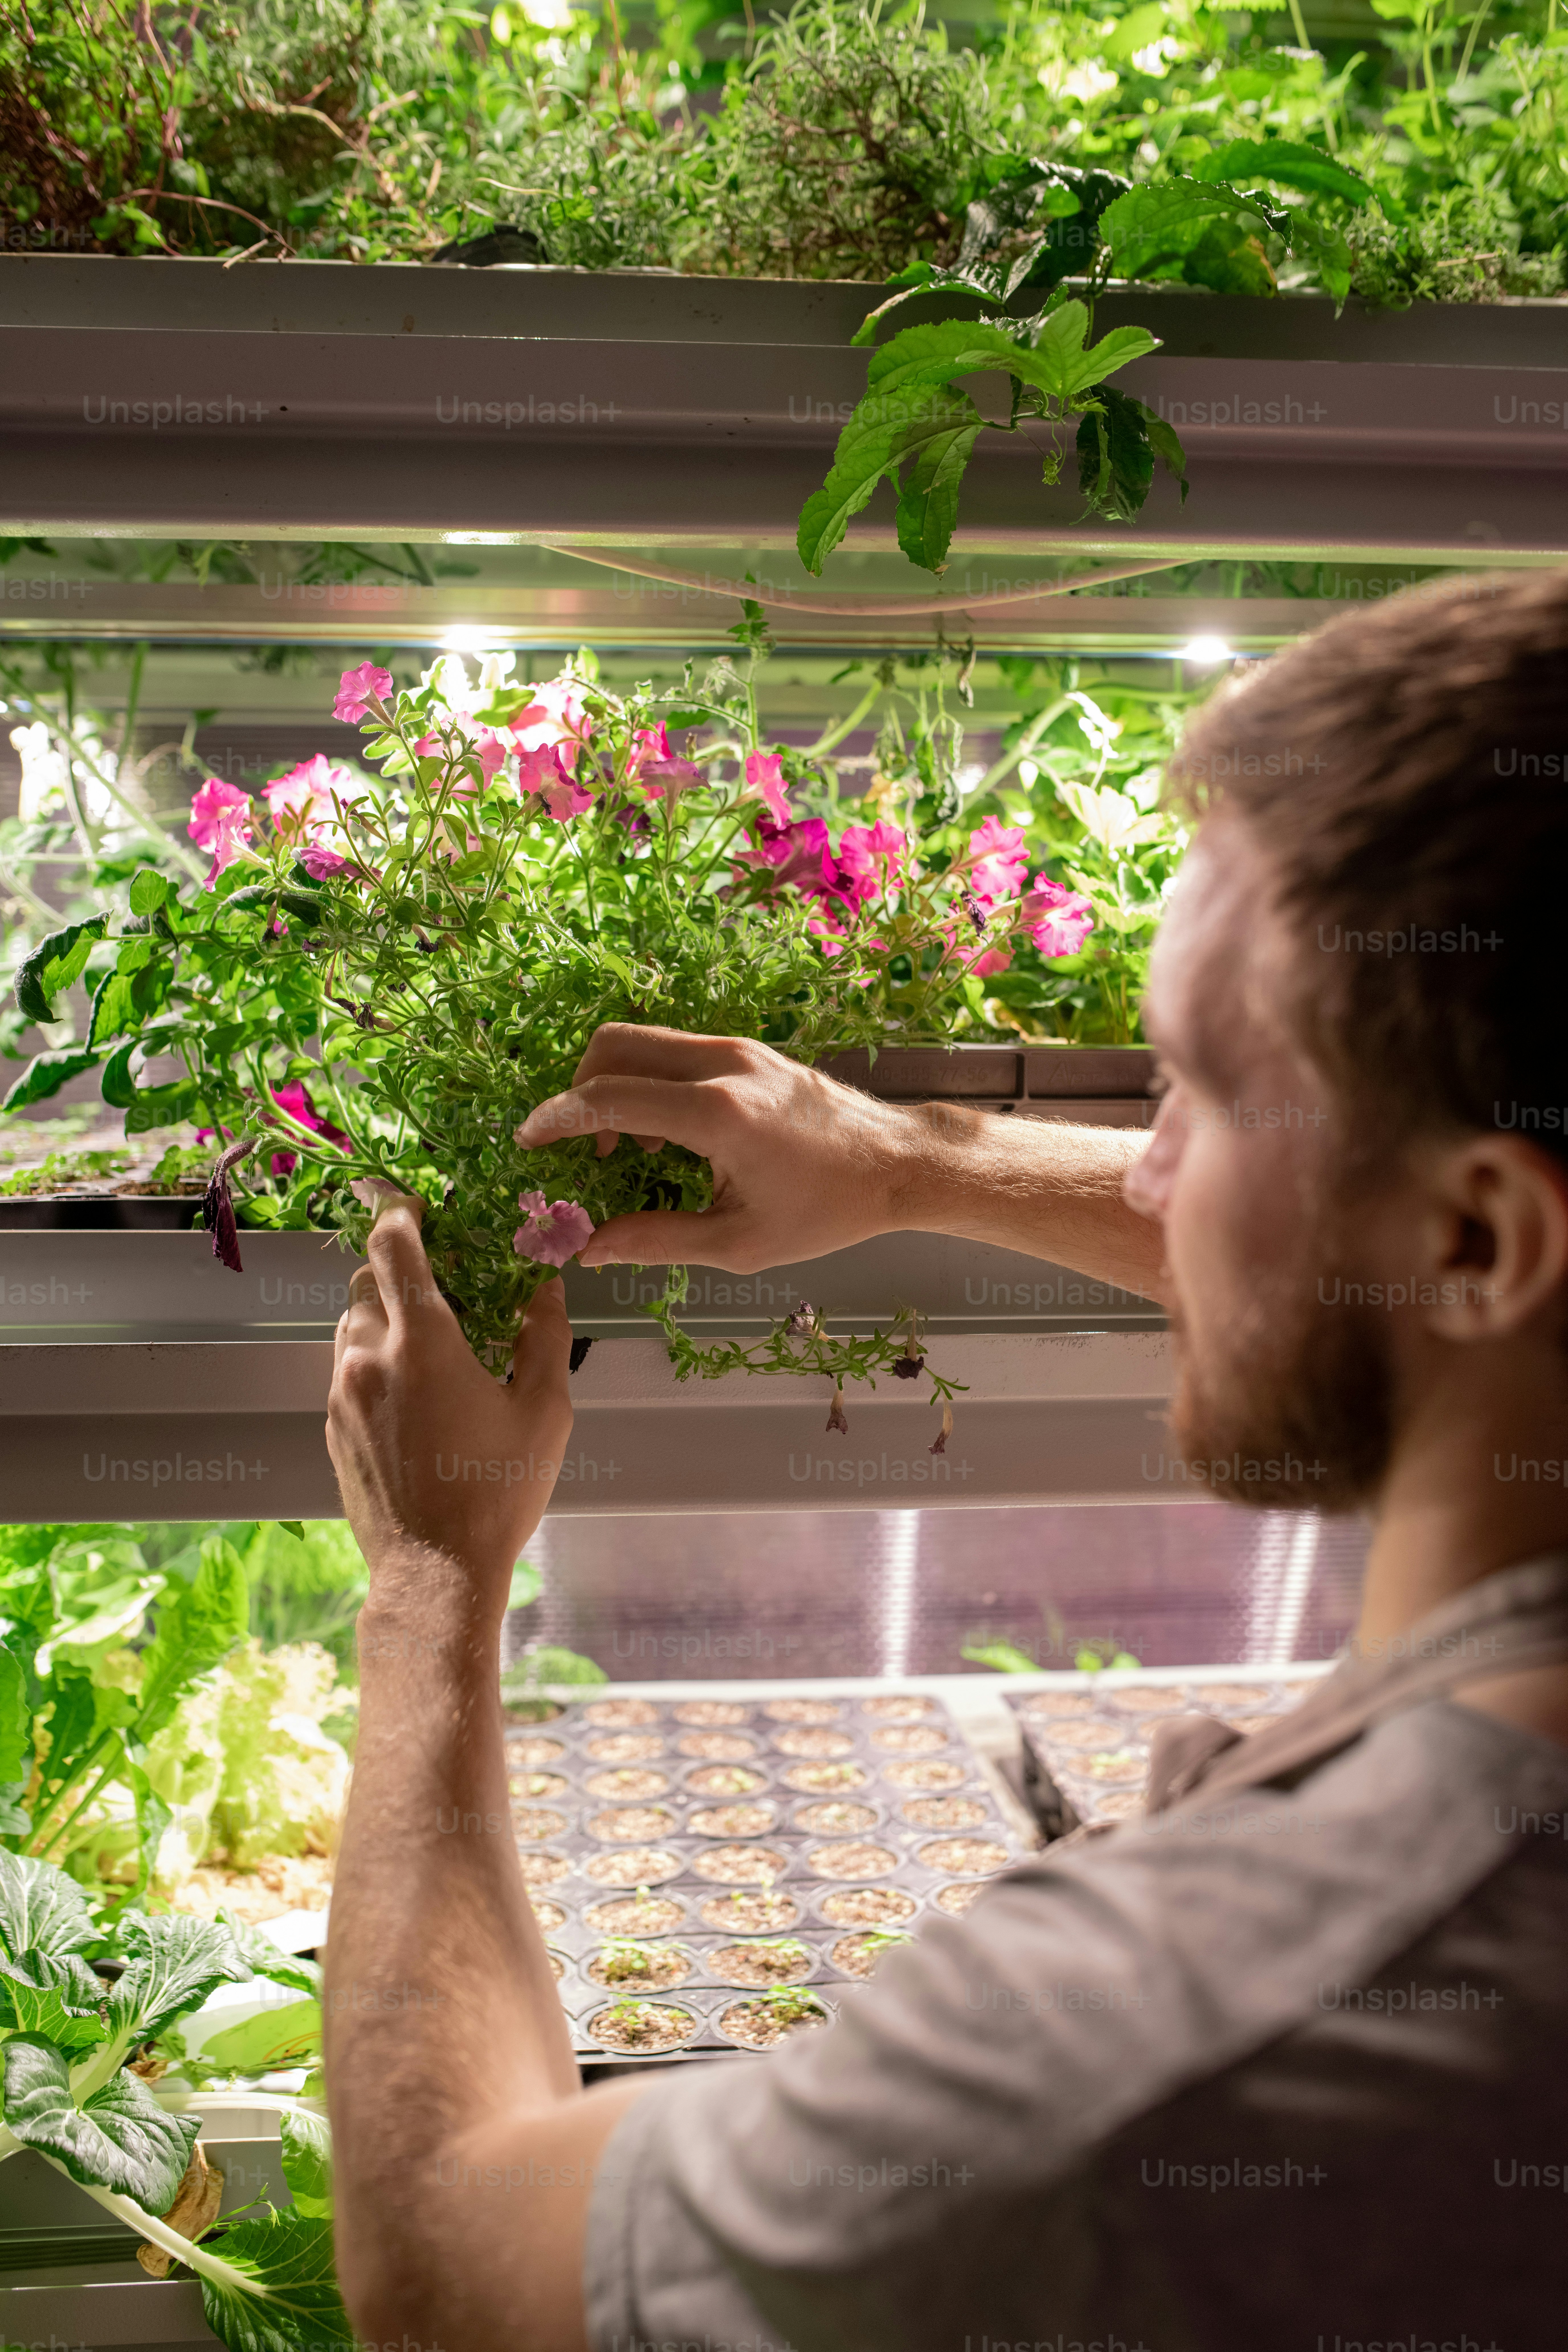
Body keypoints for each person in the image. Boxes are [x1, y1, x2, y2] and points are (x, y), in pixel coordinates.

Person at [323, 574, 1568, 2352]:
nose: (1142, 1175)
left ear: (1478, 1240)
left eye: (1196, 1096)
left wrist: (432, 1583)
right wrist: (913, 1161)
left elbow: (449, 2276)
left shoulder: (1167, 2044)